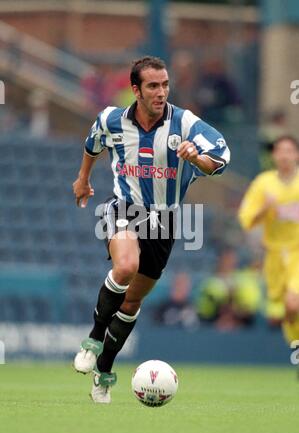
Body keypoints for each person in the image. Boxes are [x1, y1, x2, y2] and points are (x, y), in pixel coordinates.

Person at [72, 56, 230, 403]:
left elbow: (220, 157)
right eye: (153, 86)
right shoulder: (112, 119)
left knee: (131, 303)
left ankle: (103, 371)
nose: (161, 93)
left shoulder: (185, 123)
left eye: (165, 85)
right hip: (125, 210)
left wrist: (196, 158)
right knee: (125, 266)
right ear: (136, 90)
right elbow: (92, 143)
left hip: (165, 221)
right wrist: (83, 180)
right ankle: (94, 338)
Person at [238, 136, 299, 346]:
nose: (284, 156)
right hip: (274, 256)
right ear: (274, 155)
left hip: (297, 253)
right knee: (283, 311)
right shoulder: (263, 184)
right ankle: (295, 345)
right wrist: (265, 208)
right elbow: (246, 220)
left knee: (293, 303)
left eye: (289, 151)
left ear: (297, 155)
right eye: (280, 151)